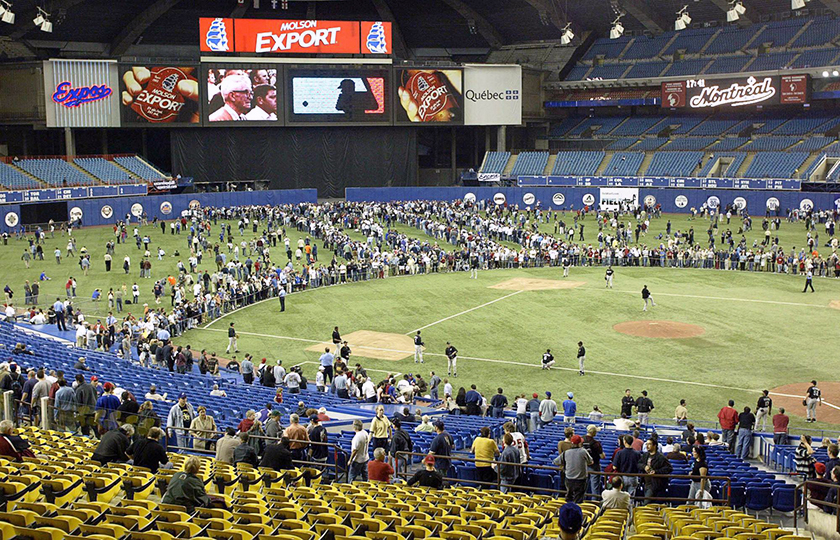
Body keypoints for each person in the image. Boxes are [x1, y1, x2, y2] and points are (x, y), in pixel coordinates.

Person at [559, 434, 592, 503]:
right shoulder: (583, 451)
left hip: (569, 478)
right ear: (579, 443)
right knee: (579, 498)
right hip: (580, 479)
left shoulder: (566, 452)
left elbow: (556, 462)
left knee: (569, 496)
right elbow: (591, 461)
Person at [638, 438, 673, 504]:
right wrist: (644, 467)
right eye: (647, 444)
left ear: (654, 446)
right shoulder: (645, 455)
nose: (647, 446)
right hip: (645, 482)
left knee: (646, 503)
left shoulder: (661, 457)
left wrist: (656, 472)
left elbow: (669, 468)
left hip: (654, 483)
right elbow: (639, 464)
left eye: (649, 444)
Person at [583, 425, 605, 497]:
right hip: (594, 466)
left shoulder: (581, 440)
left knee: (583, 487)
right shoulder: (596, 443)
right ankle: (594, 503)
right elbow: (602, 456)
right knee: (594, 488)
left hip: (583, 466)